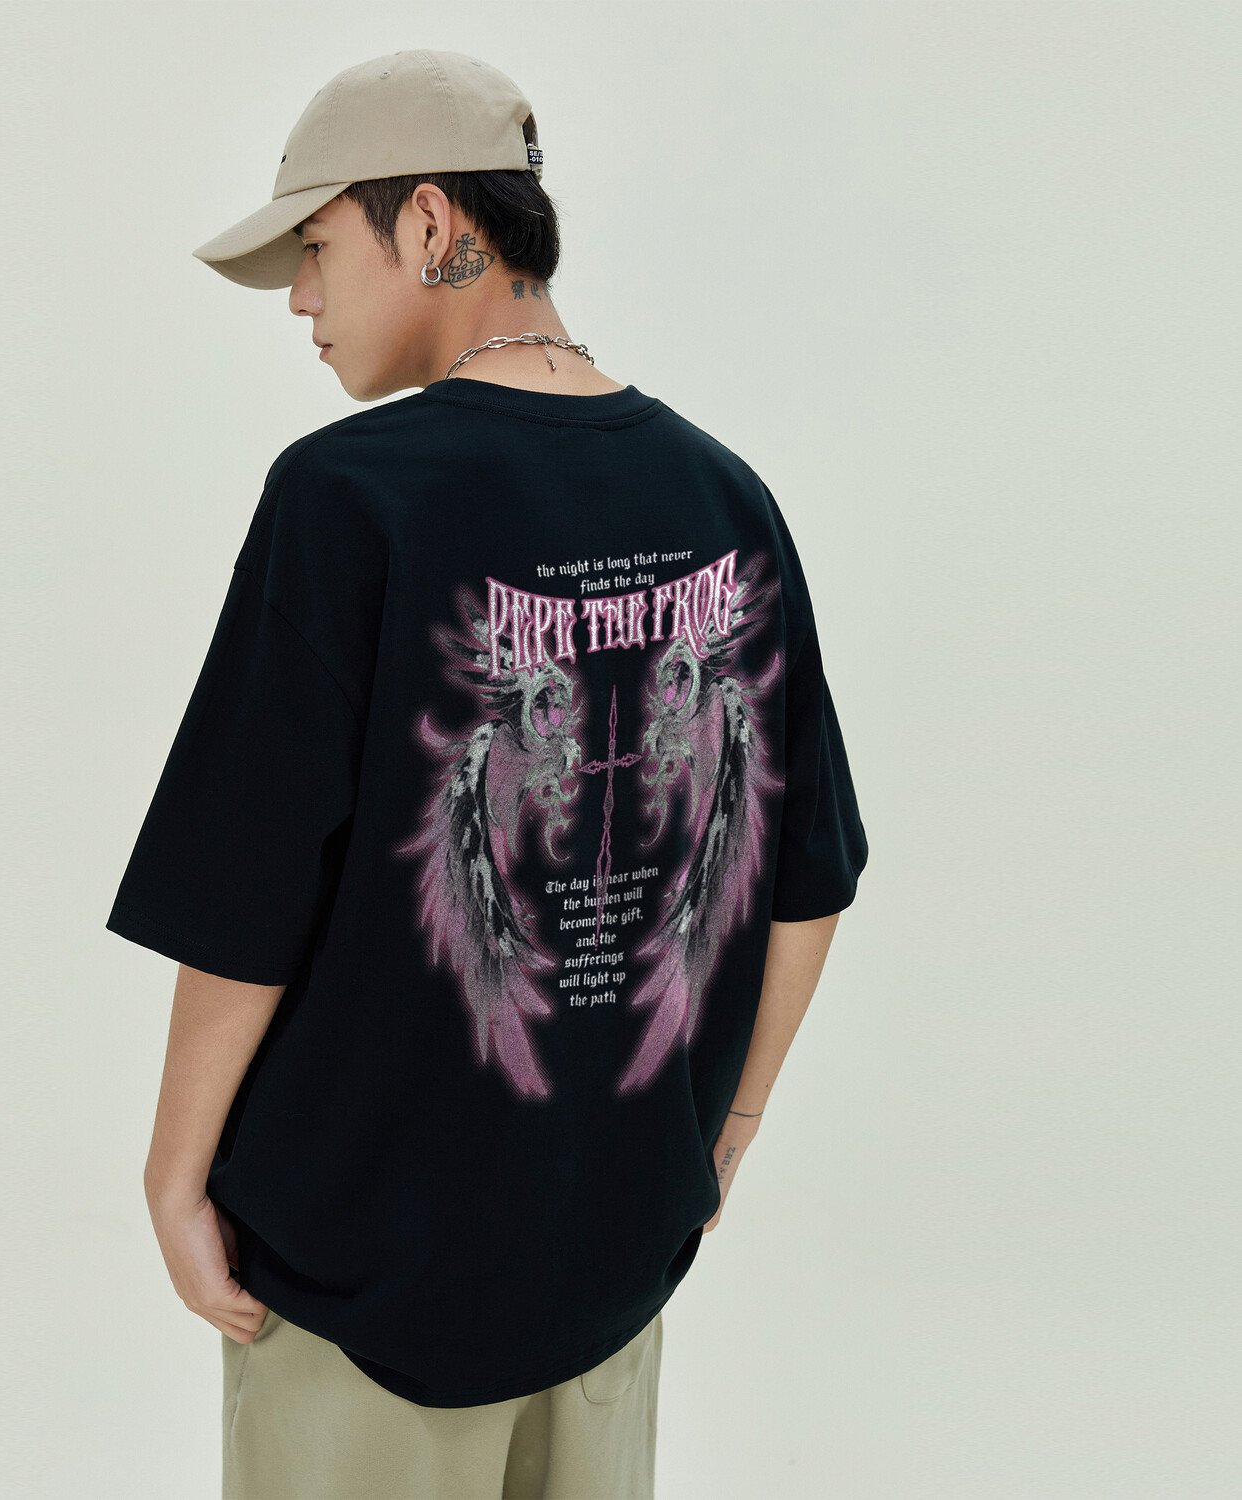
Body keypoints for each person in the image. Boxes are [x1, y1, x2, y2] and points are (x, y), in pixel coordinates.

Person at [106, 48, 869, 1500]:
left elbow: (245, 897)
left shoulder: (347, 495)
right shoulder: (725, 495)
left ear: (432, 222)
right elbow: (807, 880)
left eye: (315, 246)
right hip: (610, 1262)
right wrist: (720, 1140)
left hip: (365, 1279)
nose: (300, 299)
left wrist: (173, 1174)